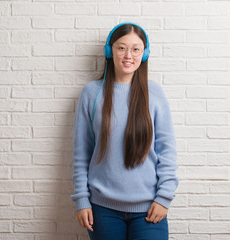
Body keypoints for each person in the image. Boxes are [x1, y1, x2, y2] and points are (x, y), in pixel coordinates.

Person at [70, 22, 179, 240]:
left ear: (144, 54)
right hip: (102, 210)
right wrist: (81, 200)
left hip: (149, 209)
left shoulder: (154, 93)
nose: (128, 55)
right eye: (121, 47)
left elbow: (167, 151)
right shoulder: (91, 93)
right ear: (110, 51)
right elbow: (82, 152)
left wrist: (164, 198)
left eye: (136, 49)